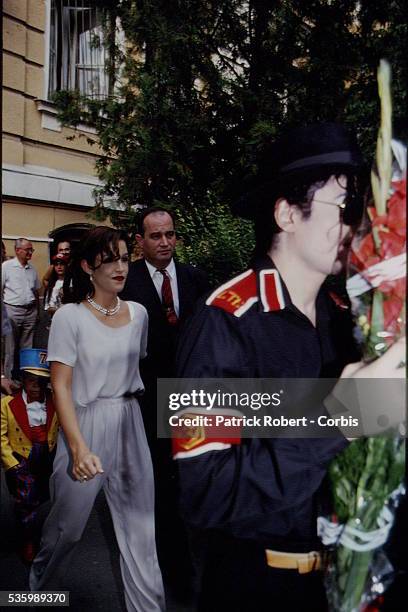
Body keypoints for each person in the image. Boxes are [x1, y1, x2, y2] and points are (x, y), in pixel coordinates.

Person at [172, 123, 406, 611]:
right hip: (254, 585)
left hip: (344, 580)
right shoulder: (222, 323)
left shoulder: (348, 324)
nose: (357, 226)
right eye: (344, 209)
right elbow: (205, 491)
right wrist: (341, 416)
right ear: (285, 213)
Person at [29, 227, 165, 612]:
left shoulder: (138, 314)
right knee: (66, 531)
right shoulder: (69, 317)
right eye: (111, 259)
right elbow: (61, 387)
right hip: (85, 423)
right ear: (89, 266)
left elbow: (136, 363)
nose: (121, 266)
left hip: (129, 420)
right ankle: (39, 592)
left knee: (141, 532)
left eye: (125, 257)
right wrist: (78, 448)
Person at [120, 206, 209, 598]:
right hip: (147, 400)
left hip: (193, 399)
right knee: (160, 488)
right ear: (139, 241)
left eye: (169, 234)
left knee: (197, 478)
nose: (164, 243)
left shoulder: (195, 279)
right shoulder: (127, 283)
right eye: (155, 236)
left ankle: (198, 563)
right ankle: (173, 572)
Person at [1, 348, 58, 563]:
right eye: (31, 379)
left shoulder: (54, 401)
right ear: (22, 379)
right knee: (25, 500)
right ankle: (28, 540)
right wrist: (12, 463)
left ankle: (33, 528)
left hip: (45, 456)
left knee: (40, 497)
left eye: (41, 380)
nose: (36, 385)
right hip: (21, 458)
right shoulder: (7, 405)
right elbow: (1, 437)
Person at [2, 238, 40, 380]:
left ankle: (26, 379)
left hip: (30, 311)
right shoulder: (6, 267)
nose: (30, 252)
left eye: (32, 250)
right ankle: (8, 379)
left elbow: (36, 291)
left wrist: (37, 311)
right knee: (10, 349)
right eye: (28, 249)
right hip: (12, 311)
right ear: (18, 250)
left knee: (27, 349)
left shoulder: (32, 269)